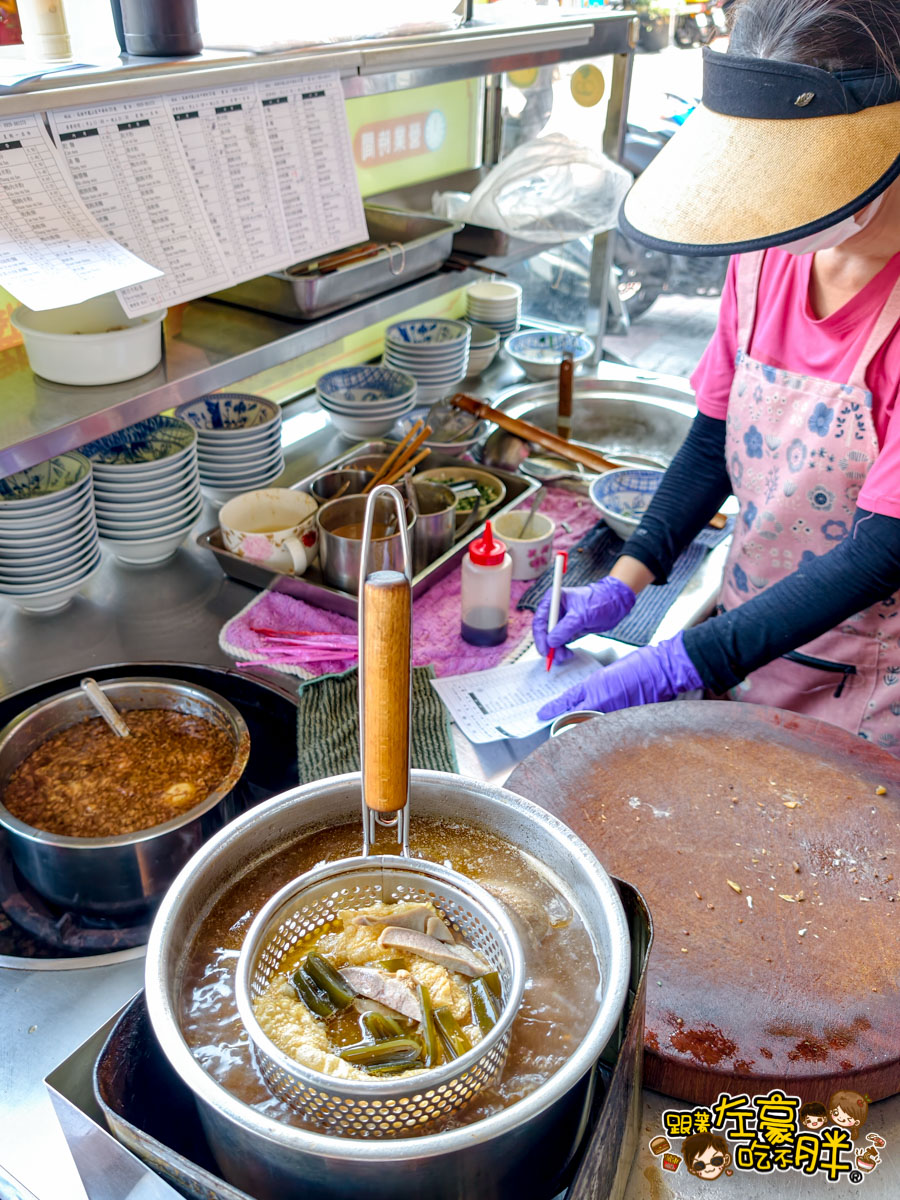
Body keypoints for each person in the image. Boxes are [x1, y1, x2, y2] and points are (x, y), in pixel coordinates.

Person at [534, 0, 900, 751]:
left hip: (869, 685)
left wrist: (683, 660)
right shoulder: (767, 254)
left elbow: (882, 551)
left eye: (809, 176)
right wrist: (628, 575)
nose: (786, 206)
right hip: (749, 625)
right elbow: (714, 442)